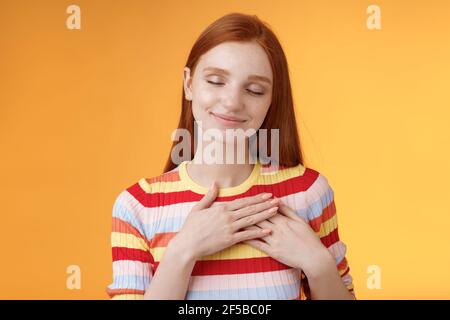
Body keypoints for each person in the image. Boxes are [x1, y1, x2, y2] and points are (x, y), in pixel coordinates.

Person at [106, 12, 355, 300]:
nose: (232, 102)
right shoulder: (138, 206)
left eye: (254, 90)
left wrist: (319, 265)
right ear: (188, 84)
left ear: (272, 99)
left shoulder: (308, 192)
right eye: (215, 81)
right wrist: (182, 252)